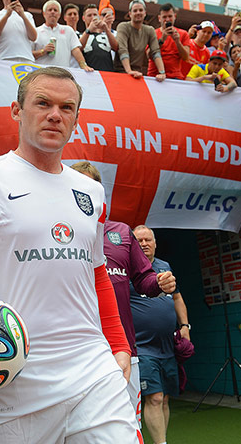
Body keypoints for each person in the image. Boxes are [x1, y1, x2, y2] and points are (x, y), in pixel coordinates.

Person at [0, 67, 140, 443]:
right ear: (16, 111)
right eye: (43, 103)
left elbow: (97, 273)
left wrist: (118, 345)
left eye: (67, 108)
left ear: (76, 120)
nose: (55, 114)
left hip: (93, 373)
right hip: (11, 383)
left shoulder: (91, 193)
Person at [70, 161, 177, 429]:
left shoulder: (120, 232)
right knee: (80, 425)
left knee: (128, 423)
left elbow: (143, 279)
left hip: (123, 347)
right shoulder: (57, 233)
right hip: (75, 348)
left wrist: (159, 281)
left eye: (89, 187)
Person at [131, 225, 190, 444]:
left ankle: (161, 440)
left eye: (148, 240)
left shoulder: (164, 266)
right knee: (154, 397)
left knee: (164, 399)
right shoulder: (127, 268)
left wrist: (185, 326)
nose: (144, 244)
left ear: (155, 243)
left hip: (167, 346)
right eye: (139, 241)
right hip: (142, 346)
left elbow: (176, 298)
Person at [33, 0, 93, 70]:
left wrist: (83, 65)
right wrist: (43, 51)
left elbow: (76, 50)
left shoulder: (68, 30)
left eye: (55, 10)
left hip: (62, 74)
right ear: (44, 13)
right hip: (42, 73)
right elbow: (29, 54)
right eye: (50, 10)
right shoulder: (35, 31)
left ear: (59, 14)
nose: (52, 12)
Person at [114, 0, 166, 81]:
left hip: (138, 73)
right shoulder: (123, 26)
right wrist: (129, 71)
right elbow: (122, 49)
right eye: (135, 11)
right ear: (130, 14)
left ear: (145, 13)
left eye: (141, 10)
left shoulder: (150, 30)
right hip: (121, 71)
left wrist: (162, 72)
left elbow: (155, 51)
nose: (138, 12)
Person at [147, 3, 190, 79]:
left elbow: (186, 57)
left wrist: (177, 42)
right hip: (155, 76)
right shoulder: (153, 33)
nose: (167, 20)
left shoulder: (183, 34)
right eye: (164, 17)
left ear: (175, 16)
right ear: (159, 18)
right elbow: (149, 55)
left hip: (175, 77)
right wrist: (162, 39)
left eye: (170, 16)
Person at [80, 3, 118, 71]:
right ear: (83, 18)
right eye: (89, 15)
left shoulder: (106, 35)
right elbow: (78, 48)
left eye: (95, 15)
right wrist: (88, 30)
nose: (92, 17)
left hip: (107, 74)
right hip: (88, 74)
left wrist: (106, 29)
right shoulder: (80, 35)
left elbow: (116, 47)